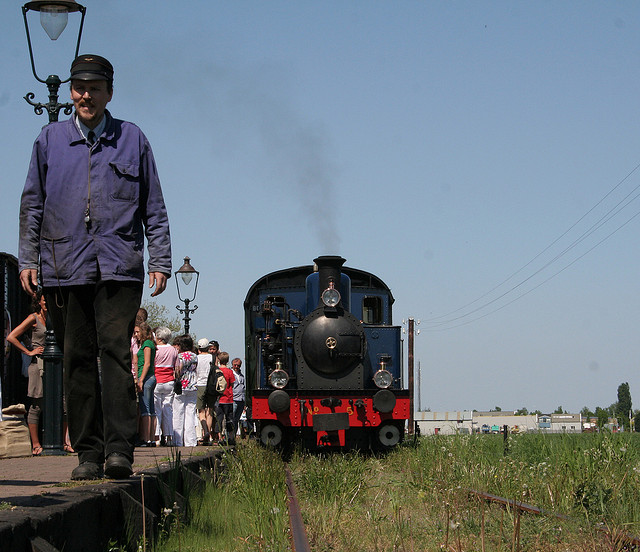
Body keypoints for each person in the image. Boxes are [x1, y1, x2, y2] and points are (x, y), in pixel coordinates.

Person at [18, 54, 171, 480]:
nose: (86, 95)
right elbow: (32, 204)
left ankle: (119, 450)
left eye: (95, 88)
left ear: (109, 93)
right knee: (77, 358)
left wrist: (160, 258)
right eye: (79, 88)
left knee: (116, 354)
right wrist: (29, 257)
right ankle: (88, 453)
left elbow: (153, 207)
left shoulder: (132, 139)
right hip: (64, 266)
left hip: (120, 267)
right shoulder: (49, 140)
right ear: (71, 91)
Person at [6, 291, 46, 455]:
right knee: (36, 404)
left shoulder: (54, 318)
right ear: (40, 302)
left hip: (54, 365)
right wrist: (29, 351)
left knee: (63, 403)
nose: (47, 304)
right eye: (45, 301)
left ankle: (65, 442)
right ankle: (35, 444)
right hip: (38, 365)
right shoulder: (33, 318)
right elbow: (12, 336)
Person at [153, 327, 178, 446]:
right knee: (168, 409)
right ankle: (169, 437)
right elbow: (177, 367)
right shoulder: (173, 350)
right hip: (169, 381)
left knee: (157, 410)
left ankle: (156, 437)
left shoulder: (155, 349)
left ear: (158, 337)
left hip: (157, 381)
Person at [172, 335, 198, 447]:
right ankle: (191, 441)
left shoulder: (180, 356)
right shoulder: (194, 356)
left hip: (181, 386)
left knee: (178, 413)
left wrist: (176, 375)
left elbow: (179, 369)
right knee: (190, 413)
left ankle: (178, 440)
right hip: (192, 386)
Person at [134, 323, 156, 446]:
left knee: (145, 409)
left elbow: (147, 363)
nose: (136, 335)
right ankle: (152, 438)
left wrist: (140, 379)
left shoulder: (147, 344)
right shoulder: (150, 344)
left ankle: (146, 438)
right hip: (150, 377)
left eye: (137, 332)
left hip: (147, 377)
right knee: (151, 409)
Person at [195, 338, 214, 444]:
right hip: (210, 385)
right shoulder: (212, 357)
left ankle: (205, 431)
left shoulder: (197, 358)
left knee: (201, 411)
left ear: (199, 348)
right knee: (210, 411)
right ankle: (209, 435)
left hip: (200, 384)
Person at [214, 352, 235, 445]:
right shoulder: (229, 371)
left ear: (218, 360)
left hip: (219, 399)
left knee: (219, 419)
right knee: (229, 418)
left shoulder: (217, 371)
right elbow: (232, 384)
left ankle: (219, 438)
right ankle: (230, 437)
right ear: (227, 361)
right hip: (228, 398)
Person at [231, 358, 245, 438]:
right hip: (233, 399)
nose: (236, 367)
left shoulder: (241, 375)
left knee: (236, 420)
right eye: (235, 365)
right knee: (231, 419)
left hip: (241, 400)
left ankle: (233, 437)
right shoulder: (230, 373)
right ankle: (228, 437)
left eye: (238, 365)